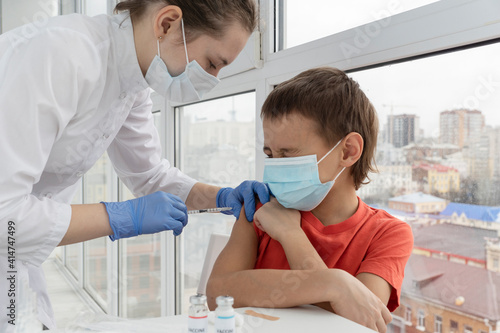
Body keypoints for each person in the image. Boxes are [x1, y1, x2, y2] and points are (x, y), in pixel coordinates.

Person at [0, 0, 269, 331]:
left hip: (15, 257)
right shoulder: (62, 54)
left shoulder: (132, 83)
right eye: (212, 63)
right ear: (167, 23)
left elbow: (150, 176)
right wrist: (121, 217)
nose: (212, 79)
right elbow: (5, 213)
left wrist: (222, 196)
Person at [206, 67, 414, 333]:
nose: (275, 168)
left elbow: (358, 323)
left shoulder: (388, 233)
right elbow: (217, 294)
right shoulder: (261, 207)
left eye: (289, 155)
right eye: (270, 155)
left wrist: (291, 235)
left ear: (348, 151)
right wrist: (335, 286)